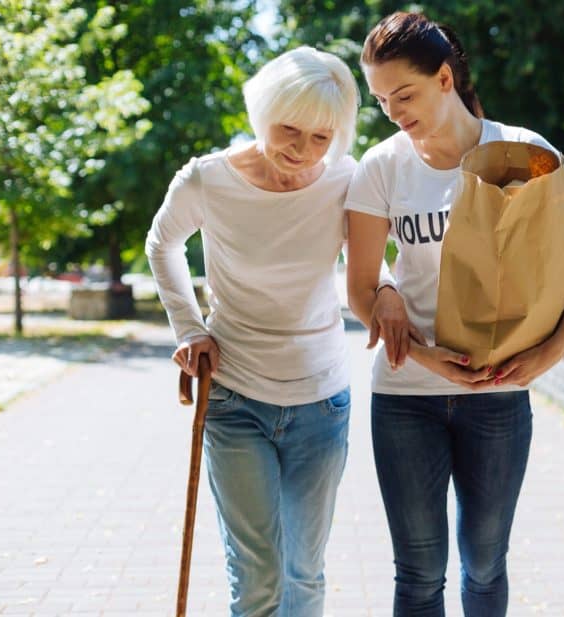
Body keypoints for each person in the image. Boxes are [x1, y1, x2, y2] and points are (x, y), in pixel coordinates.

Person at [345, 12, 564, 616]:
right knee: (417, 574)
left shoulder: (524, 153)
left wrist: (546, 359)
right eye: (382, 99)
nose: (394, 111)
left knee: (486, 563)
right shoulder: (381, 167)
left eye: (406, 94)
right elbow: (362, 290)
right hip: (404, 398)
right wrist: (424, 358)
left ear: (445, 78)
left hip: (498, 397)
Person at [145, 46, 407, 617]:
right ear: (262, 111)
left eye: (322, 137)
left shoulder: (345, 177)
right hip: (235, 400)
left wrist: (384, 288)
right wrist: (189, 327)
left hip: (322, 402)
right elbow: (161, 243)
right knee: (259, 578)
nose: (303, 151)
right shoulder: (208, 180)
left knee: (304, 573)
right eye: (290, 129)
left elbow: (364, 257)